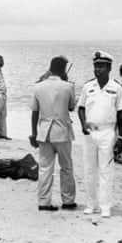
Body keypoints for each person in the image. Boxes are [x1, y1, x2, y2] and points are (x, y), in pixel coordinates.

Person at [78, 51, 122, 218]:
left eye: (101, 66)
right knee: (89, 169)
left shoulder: (117, 88)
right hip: (90, 132)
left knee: (106, 170)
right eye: (95, 66)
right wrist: (83, 124)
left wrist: (120, 137)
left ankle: (105, 206)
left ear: (109, 68)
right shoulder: (87, 87)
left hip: (107, 132)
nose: (97, 70)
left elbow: (121, 115)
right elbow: (81, 108)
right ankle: (91, 204)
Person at [30, 56, 77, 211]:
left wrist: (34, 133)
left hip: (44, 132)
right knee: (66, 167)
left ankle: (43, 202)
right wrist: (66, 82)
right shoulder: (68, 86)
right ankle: (68, 200)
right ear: (64, 69)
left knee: (45, 168)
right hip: (62, 131)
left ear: (50, 68)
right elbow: (71, 107)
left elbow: (35, 113)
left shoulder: (38, 86)